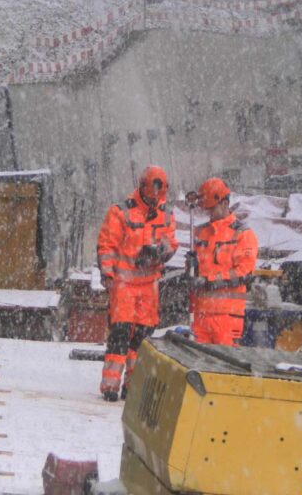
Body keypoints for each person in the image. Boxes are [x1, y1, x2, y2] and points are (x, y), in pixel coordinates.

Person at [97, 165, 178, 401]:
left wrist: (160, 252)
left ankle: (132, 386)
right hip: (124, 284)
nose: (156, 202)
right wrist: (108, 275)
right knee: (120, 335)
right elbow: (106, 246)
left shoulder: (166, 214)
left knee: (142, 339)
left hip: (149, 284)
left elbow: (171, 242)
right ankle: (110, 386)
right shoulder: (120, 212)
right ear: (142, 187)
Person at [186, 177, 258, 346]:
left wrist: (208, 282)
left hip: (227, 316)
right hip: (200, 315)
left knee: (224, 367)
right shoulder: (200, 233)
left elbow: (243, 274)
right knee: (199, 366)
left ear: (225, 203)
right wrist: (190, 269)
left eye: (212, 208)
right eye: (206, 210)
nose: (209, 213)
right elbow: (195, 274)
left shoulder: (242, 235)